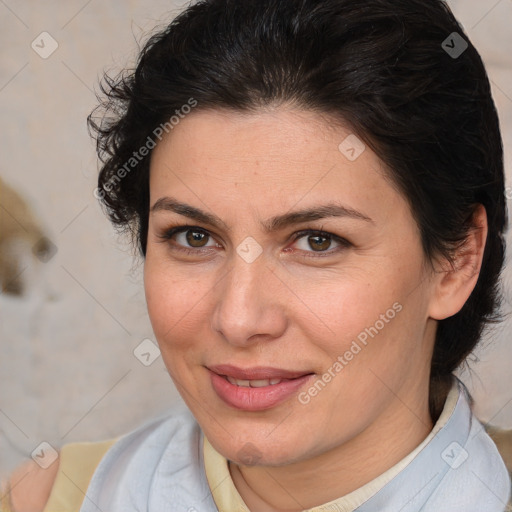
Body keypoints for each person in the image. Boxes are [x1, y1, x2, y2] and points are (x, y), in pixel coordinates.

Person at [2, 0, 511, 510]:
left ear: (455, 262)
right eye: (194, 237)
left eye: (317, 241)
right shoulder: (47, 498)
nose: (238, 319)